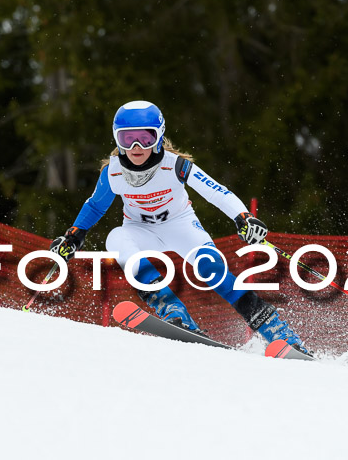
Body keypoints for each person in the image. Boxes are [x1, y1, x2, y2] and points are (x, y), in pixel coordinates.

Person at [50, 100, 309, 354]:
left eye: (145, 138)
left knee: (212, 268)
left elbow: (216, 192)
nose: (137, 146)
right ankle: (172, 310)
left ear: (159, 136)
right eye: (127, 139)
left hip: (181, 226)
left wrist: (243, 217)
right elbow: (95, 206)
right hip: (140, 230)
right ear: (117, 140)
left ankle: (278, 332)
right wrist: (73, 236)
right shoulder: (113, 172)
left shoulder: (176, 165)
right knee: (115, 239)